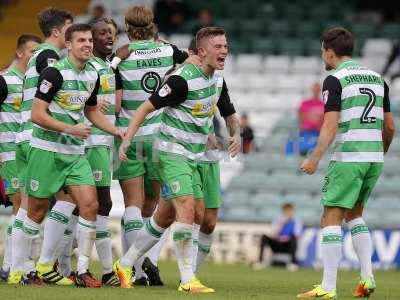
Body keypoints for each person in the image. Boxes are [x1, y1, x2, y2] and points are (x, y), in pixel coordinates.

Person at [113, 26, 240, 293]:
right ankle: (187, 279)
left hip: (193, 156)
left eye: (226, 46)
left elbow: (228, 112)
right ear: (202, 52)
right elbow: (146, 107)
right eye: (218, 47)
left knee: (165, 216)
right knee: (187, 207)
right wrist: (127, 139)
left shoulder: (217, 81)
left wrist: (236, 134)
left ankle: (124, 264)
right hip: (172, 152)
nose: (224, 52)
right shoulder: (181, 80)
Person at [298, 27, 395, 299]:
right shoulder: (378, 79)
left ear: (329, 51)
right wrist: (380, 152)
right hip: (373, 157)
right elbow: (389, 126)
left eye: (322, 51)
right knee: (355, 214)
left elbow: (330, 125)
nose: (322, 55)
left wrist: (314, 158)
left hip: (349, 156)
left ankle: (328, 288)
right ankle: (367, 277)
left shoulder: (335, 79)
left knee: (330, 217)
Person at [26, 23, 124, 288]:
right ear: (67, 45)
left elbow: (91, 111)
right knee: (35, 211)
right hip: (46, 150)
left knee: (91, 205)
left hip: (74, 153)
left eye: (89, 41)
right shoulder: (54, 73)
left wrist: (116, 130)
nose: (87, 45)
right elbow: (37, 114)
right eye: (81, 40)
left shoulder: (92, 73)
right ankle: (25, 269)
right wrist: (69, 128)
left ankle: (80, 270)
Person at [112, 5, 189, 285]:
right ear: (153, 24)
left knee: (132, 205)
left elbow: (116, 102)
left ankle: (136, 268)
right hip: (161, 136)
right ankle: (147, 264)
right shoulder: (168, 51)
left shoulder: (120, 57)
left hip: (129, 135)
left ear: (127, 27)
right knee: (152, 206)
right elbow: (191, 63)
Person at [9, 7, 73, 285]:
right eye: (70, 28)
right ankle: (36, 267)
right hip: (38, 138)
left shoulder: (39, 55)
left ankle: (17, 268)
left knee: (27, 207)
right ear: (58, 31)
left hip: (24, 136)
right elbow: (52, 96)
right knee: (64, 200)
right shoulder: (49, 56)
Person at [83, 18, 122, 286]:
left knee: (83, 206)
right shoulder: (88, 66)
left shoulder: (107, 65)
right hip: (91, 140)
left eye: (112, 33)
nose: (109, 37)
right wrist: (95, 101)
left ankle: (62, 266)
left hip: (103, 140)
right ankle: (107, 271)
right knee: (101, 204)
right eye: (102, 33)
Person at [0, 34, 41, 282]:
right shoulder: (4, 81)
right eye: (32, 52)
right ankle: (16, 266)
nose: (36, 57)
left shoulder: (32, 82)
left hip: (29, 152)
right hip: (9, 153)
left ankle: (9, 265)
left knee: (27, 209)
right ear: (19, 53)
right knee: (20, 206)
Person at [255, 203, 302, 271]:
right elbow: (273, 234)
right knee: (264, 237)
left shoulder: (297, 220)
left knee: (293, 239)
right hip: (277, 243)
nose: (288, 212)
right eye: (286, 210)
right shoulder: (278, 219)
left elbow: (297, 235)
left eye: (290, 210)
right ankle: (260, 262)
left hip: (288, 244)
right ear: (283, 211)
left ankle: (293, 263)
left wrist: (286, 238)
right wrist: (282, 223)